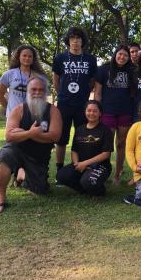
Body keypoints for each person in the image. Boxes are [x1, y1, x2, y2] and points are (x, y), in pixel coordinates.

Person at [0, 77, 62, 213]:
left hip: (38, 158)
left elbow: (55, 136)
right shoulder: (18, 110)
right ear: (27, 91)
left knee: (40, 190)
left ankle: (20, 173)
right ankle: (1, 197)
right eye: (33, 89)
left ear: (45, 92)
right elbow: (9, 136)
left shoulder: (53, 111)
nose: (37, 92)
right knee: (3, 157)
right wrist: (31, 133)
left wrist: (24, 133)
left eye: (41, 90)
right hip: (17, 150)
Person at [52, 26, 97, 173]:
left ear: (82, 41)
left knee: (82, 138)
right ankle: (59, 169)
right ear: (68, 41)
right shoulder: (60, 58)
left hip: (82, 105)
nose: (75, 41)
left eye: (78, 38)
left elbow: (92, 81)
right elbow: (56, 80)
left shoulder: (90, 59)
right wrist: (62, 94)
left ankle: (80, 168)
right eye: (72, 38)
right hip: (64, 104)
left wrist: (85, 94)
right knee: (61, 138)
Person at [95, 45, 135, 184]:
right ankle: (103, 173)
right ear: (115, 54)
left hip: (125, 111)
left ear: (128, 57)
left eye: (125, 55)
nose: (122, 57)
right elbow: (98, 92)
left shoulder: (131, 71)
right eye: (120, 54)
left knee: (121, 144)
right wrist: (97, 110)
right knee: (106, 144)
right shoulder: (104, 69)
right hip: (107, 111)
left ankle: (117, 175)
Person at [55, 100, 113, 197]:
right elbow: (74, 150)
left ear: (100, 113)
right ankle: (85, 190)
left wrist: (85, 164)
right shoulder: (80, 129)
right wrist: (77, 164)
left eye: (95, 111)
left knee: (88, 181)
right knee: (61, 176)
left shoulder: (105, 130)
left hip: (100, 166)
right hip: (80, 164)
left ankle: (100, 192)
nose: (91, 113)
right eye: (89, 110)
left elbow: (106, 154)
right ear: (85, 112)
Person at [0, 44, 47, 118]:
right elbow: (0, 94)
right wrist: (9, 108)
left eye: (30, 56)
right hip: (13, 117)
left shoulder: (41, 77)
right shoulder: (9, 74)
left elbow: (43, 98)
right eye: (24, 55)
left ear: (33, 59)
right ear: (18, 57)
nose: (27, 58)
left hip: (33, 117)